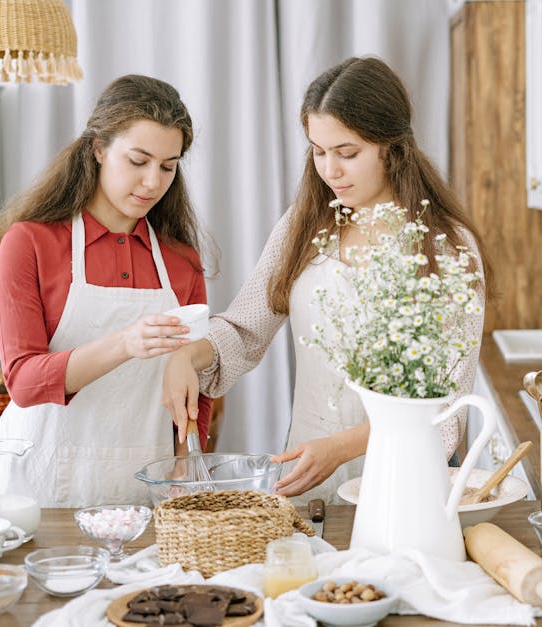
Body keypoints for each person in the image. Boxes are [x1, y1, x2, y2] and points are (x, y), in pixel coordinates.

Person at [162, 57, 493, 504]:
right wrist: (188, 356)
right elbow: (245, 329)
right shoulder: (304, 225)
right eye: (318, 151)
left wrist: (339, 449)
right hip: (307, 477)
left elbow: (448, 412)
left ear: (392, 147)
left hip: (405, 484)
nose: (330, 170)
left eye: (347, 153)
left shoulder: (446, 247)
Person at [0, 74, 212, 508]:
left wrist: (186, 461)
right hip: (43, 485)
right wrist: (126, 343)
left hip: (147, 483)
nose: (151, 183)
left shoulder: (181, 261)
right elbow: (24, 383)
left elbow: (193, 383)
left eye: (168, 166)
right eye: (137, 161)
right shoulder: (30, 243)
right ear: (98, 148)